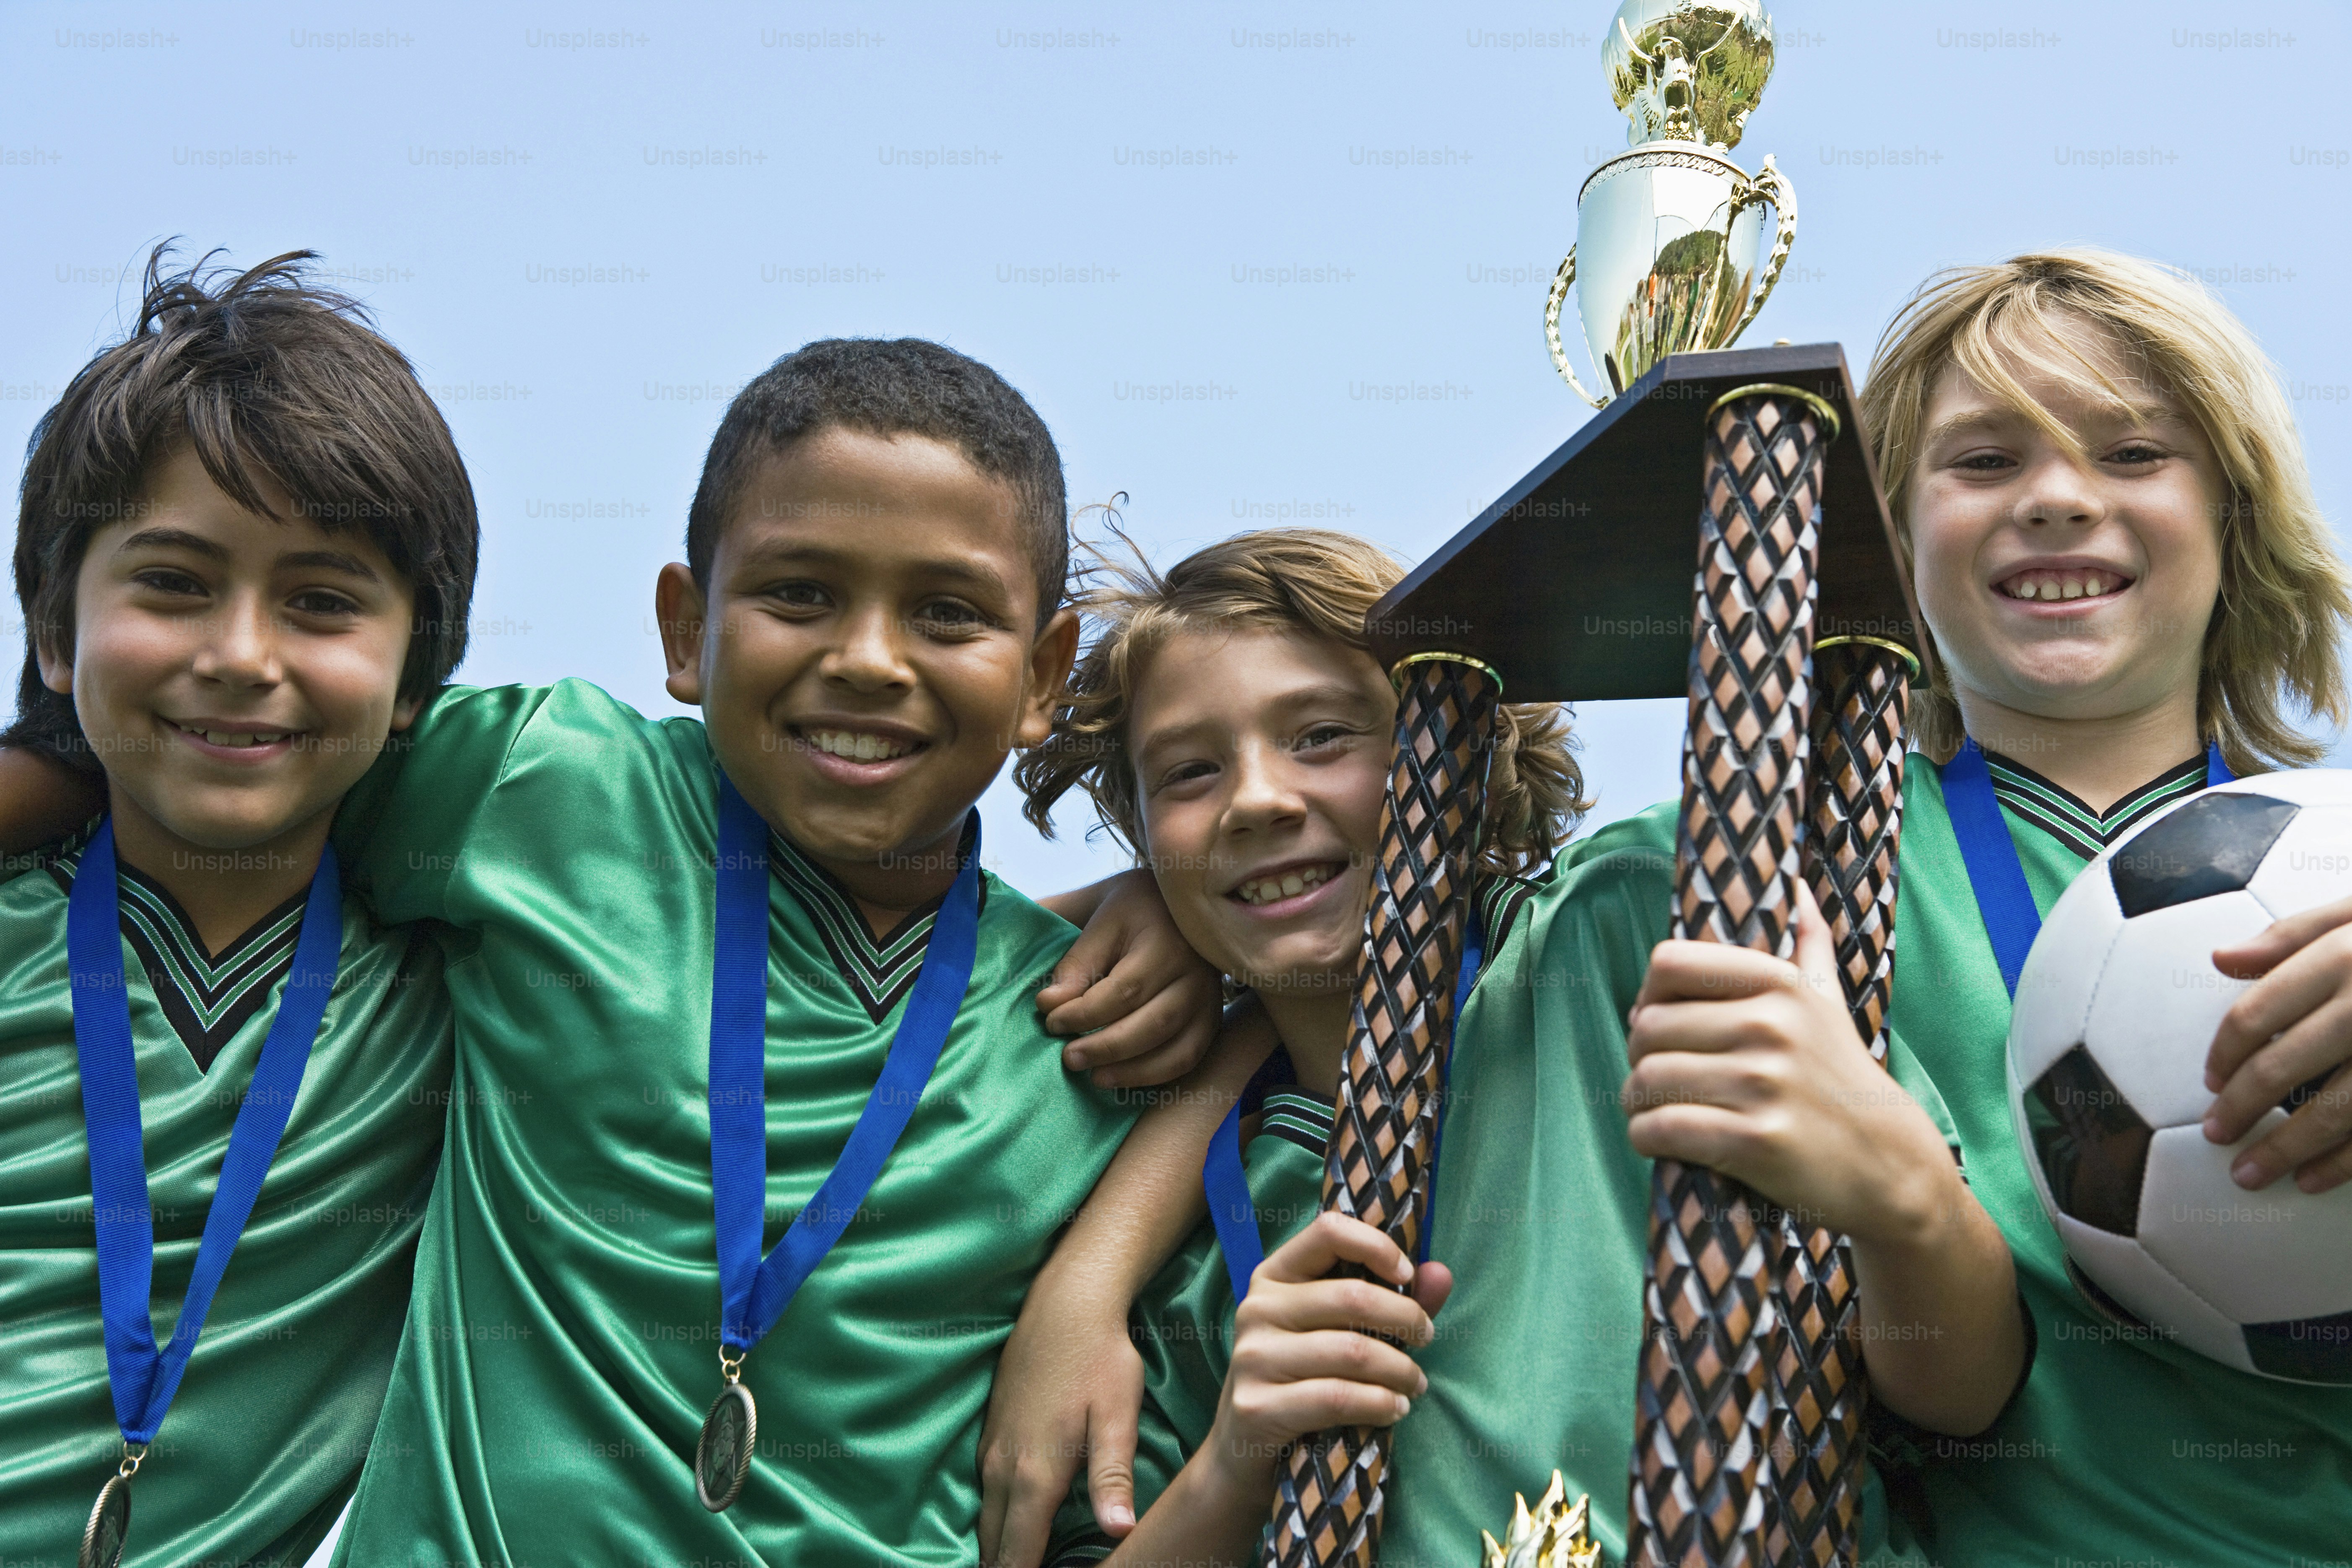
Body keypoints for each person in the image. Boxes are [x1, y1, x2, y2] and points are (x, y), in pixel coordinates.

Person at [295, 337, 1219, 1563]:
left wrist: (1204, 925)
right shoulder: (541, 791)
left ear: (1044, 676)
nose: (868, 659)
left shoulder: (1095, 1027)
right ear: (686, 630)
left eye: (947, 613)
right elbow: (193, 751)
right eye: (799, 594)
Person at [982, 526, 2023, 1567]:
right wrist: (1233, 1461)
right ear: (1139, 833)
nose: (1257, 798)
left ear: (1462, 746)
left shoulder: (1633, 923)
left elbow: (1964, 1393)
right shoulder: (1178, 1255)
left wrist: (1903, 1189)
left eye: (1323, 736)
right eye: (1190, 772)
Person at [1821, 249, 2352, 1562]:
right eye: (1984, 460)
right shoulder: (1781, 876)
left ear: (2235, 513)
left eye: (2131, 453)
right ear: (1893, 533)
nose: (2057, 498)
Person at [0, 247, 470, 1567]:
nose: (242, 655)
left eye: (321, 601)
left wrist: (1116, 895)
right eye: (173, 582)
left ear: (417, 672)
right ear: (55, 626)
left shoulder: (468, 991)